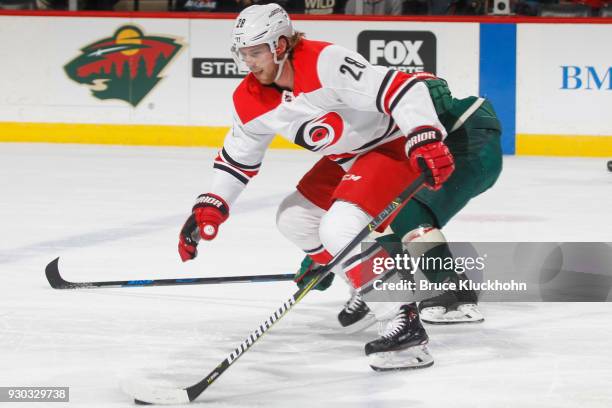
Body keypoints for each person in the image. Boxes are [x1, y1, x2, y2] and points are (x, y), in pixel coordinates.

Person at [177, 2, 498, 371]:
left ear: (280, 45)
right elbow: (238, 157)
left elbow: (402, 89)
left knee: (338, 227)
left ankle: (402, 322)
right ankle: (363, 281)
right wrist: (209, 206)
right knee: (294, 219)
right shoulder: (249, 98)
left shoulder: (325, 62)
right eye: (243, 53)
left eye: (255, 52)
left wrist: (423, 136)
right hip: (349, 156)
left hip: (391, 145)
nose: (248, 62)